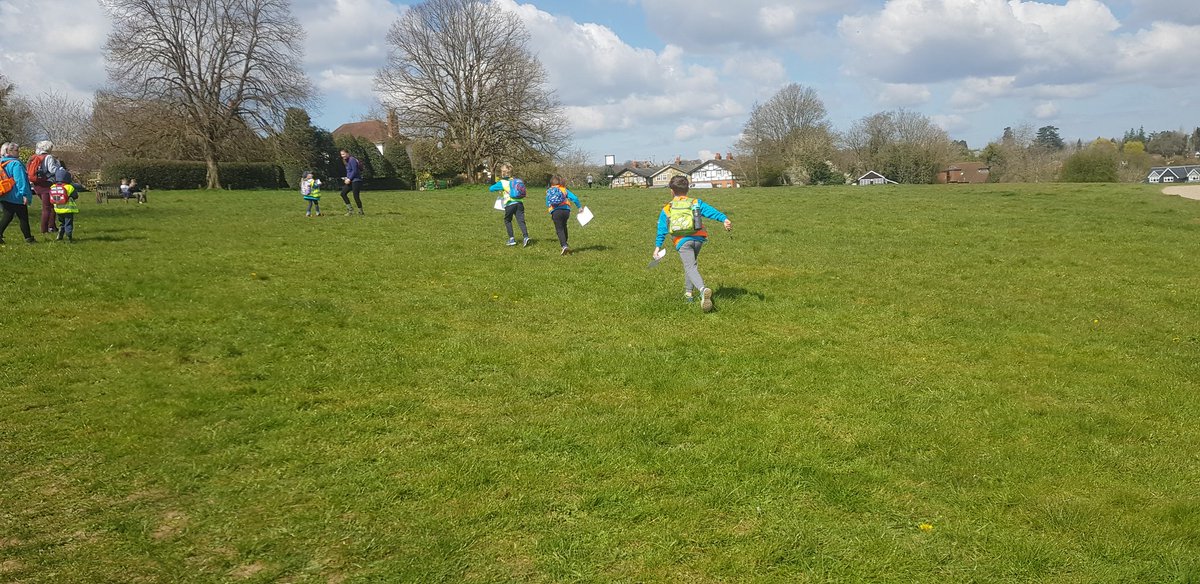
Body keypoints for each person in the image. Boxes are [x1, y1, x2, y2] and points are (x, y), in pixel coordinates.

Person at [653, 175, 732, 312]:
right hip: (698, 239)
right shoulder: (695, 202)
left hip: (682, 241)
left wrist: (657, 247)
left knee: (690, 266)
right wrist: (724, 219)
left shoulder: (668, 208)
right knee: (690, 265)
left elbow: (662, 229)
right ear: (688, 189)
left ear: (671, 190)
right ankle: (688, 293)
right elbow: (711, 212)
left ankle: (702, 290)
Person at [0, 142, 36, 245]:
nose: (18, 152)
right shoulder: (16, 164)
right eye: (16, 150)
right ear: (10, 151)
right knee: (23, 216)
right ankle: (28, 238)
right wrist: (24, 194)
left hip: (4, 193)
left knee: (8, 215)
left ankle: (28, 237)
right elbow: (20, 180)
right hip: (16, 195)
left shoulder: (2, 162)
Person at [488, 163, 530, 247]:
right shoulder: (515, 180)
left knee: (507, 220)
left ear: (502, 173)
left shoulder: (502, 182)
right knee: (521, 221)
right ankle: (525, 237)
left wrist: (500, 189)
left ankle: (511, 239)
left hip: (510, 203)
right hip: (519, 203)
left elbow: (491, 189)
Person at [27, 140, 63, 235]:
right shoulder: (48, 157)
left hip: (37, 185)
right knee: (48, 207)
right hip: (46, 184)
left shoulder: (34, 157)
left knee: (49, 206)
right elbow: (52, 169)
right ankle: (45, 229)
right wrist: (60, 169)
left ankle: (52, 226)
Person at [545, 175, 582, 255]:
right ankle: (566, 242)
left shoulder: (549, 191)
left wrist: (550, 210)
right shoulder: (564, 189)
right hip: (566, 211)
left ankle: (564, 245)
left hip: (555, 211)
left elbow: (547, 203)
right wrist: (579, 207)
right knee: (564, 225)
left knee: (559, 229)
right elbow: (574, 198)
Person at [50, 165, 79, 242]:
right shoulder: (69, 187)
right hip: (68, 209)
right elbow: (75, 196)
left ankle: (60, 234)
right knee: (68, 223)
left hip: (58, 209)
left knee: (61, 223)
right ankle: (69, 235)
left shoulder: (53, 186)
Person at [339, 149, 364, 215]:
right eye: (341, 154)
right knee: (343, 193)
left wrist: (349, 179)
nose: (342, 156)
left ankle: (360, 211)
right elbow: (349, 171)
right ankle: (350, 210)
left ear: (347, 153)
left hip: (356, 180)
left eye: (343, 154)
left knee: (356, 196)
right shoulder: (346, 161)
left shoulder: (352, 160)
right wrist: (346, 178)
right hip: (350, 180)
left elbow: (355, 171)